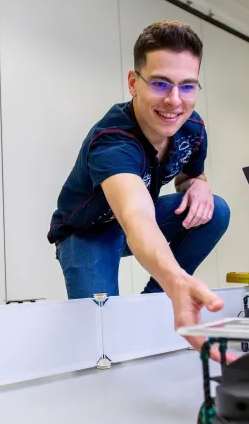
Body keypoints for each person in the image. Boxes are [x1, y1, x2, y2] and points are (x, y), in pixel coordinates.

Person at [47, 21, 231, 353]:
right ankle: (172, 289)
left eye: (187, 86)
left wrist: (199, 185)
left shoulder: (192, 128)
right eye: (161, 84)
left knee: (215, 209)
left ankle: (157, 301)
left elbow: (190, 176)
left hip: (133, 224)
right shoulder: (113, 141)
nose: (175, 101)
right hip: (87, 232)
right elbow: (137, 216)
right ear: (134, 83)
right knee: (102, 338)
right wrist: (176, 279)